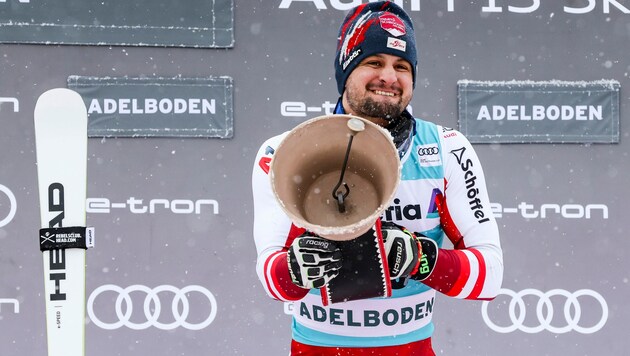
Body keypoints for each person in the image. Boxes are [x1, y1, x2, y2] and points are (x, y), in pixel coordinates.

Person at [252, 2, 503, 355]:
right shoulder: (283, 152)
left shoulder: (447, 149)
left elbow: (490, 274)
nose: (389, 76)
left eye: (402, 66)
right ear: (345, 69)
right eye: (373, 62)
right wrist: (294, 269)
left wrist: (421, 259)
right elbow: (271, 277)